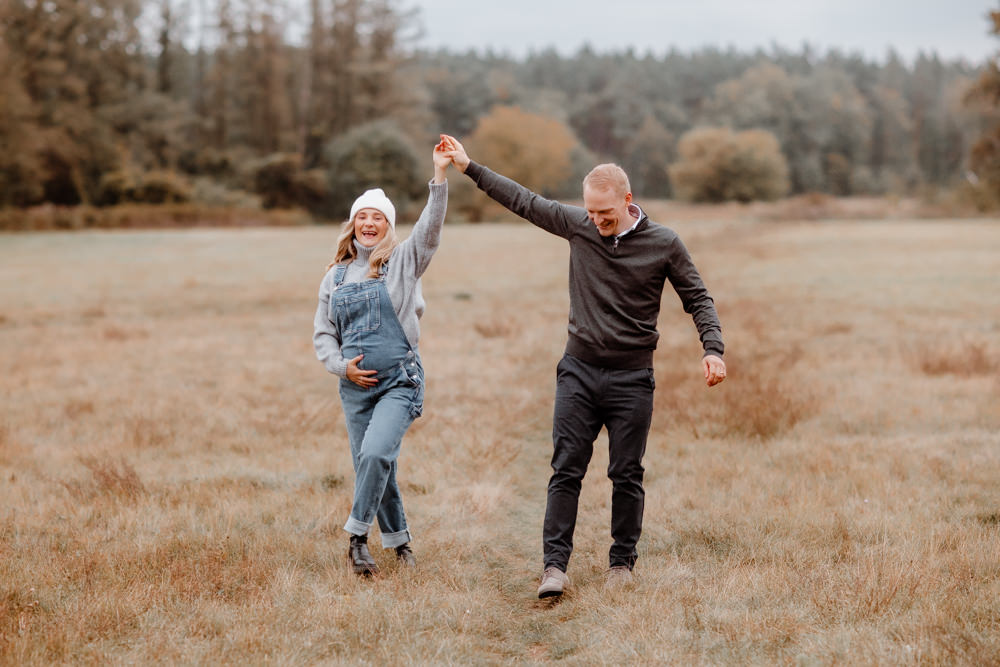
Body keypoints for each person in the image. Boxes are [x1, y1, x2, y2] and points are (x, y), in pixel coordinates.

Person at [439, 134, 726, 598]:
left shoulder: (664, 243)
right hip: (579, 371)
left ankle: (621, 563)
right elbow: (525, 201)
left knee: (626, 473)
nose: (597, 221)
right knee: (566, 469)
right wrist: (469, 165)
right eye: (590, 212)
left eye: (605, 214)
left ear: (628, 200)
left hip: (633, 378)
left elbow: (698, 298)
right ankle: (554, 568)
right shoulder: (580, 227)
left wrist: (712, 349)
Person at [313, 138, 450, 576]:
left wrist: (440, 177)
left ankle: (356, 538)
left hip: (399, 382)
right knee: (378, 466)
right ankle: (401, 544)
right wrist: (340, 366)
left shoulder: (404, 262)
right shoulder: (334, 276)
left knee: (374, 456)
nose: (368, 223)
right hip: (354, 389)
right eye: (361, 217)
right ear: (352, 225)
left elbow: (429, 229)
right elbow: (323, 333)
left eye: (377, 218)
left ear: (388, 226)